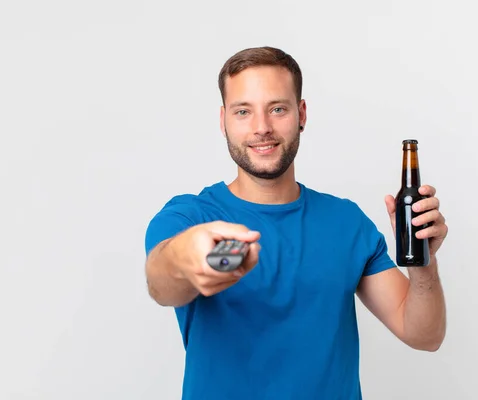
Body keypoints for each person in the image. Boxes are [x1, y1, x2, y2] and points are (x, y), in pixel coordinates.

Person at [144, 46, 448, 400]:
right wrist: (190, 257)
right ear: (223, 119)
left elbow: (425, 336)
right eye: (244, 112)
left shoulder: (346, 223)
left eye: (277, 109)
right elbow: (161, 282)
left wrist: (423, 262)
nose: (262, 128)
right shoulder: (191, 216)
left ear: (301, 114)